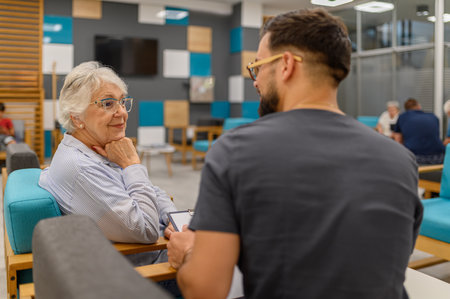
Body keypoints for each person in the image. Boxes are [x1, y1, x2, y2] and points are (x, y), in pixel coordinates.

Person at [167, 8, 422, 299]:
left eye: (258, 66)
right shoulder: (402, 159)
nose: (256, 80)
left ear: (286, 65)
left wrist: (188, 253)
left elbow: (205, 290)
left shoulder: (234, 151)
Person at [39, 61, 177, 265]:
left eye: (122, 102)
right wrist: (131, 164)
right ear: (77, 118)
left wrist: (175, 219)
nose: (122, 112)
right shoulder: (81, 168)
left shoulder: (95, 148)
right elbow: (146, 229)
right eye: (107, 104)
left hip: (160, 250)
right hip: (147, 273)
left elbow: (153, 191)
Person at [393, 98, 445, 165]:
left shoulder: (403, 117)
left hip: (415, 157)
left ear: (406, 109)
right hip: (439, 156)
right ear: (419, 106)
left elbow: (398, 140)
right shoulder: (433, 116)